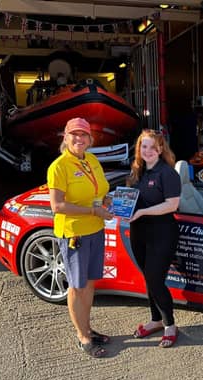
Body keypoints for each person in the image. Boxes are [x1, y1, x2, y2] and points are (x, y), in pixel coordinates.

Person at [47, 117, 113, 358]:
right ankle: (83, 336)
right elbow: (57, 205)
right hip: (74, 233)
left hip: (96, 229)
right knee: (77, 286)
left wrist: (105, 202)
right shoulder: (59, 166)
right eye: (74, 134)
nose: (79, 138)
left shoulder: (93, 160)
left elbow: (99, 192)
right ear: (65, 138)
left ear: (90, 139)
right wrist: (93, 211)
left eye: (83, 135)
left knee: (91, 283)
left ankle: (87, 327)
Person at [128, 129, 181, 348]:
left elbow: (172, 205)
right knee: (148, 279)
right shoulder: (137, 172)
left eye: (152, 146)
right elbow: (130, 200)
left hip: (162, 233)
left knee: (155, 279)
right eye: (143, 146)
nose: (147, 151)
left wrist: (141, 212)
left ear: (160, 149)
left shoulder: (167, 173)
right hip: (139, 233)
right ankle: (155, 320)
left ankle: (170, 325)